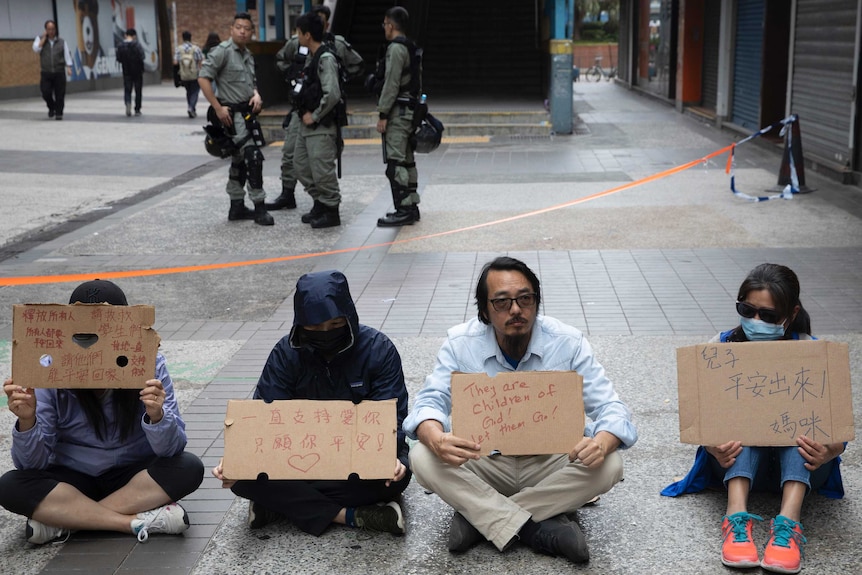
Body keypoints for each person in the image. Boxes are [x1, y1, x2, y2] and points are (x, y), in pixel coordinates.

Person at [404, 256, 637, 564]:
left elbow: (611, 407)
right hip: (484, 461)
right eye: (501, 302)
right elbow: (430, 401)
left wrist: (602, 440)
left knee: (610, 465)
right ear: (485, 310)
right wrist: (435, 436)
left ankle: (481, 519)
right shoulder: (460, 342)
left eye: (525, 299)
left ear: (537, 302)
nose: (516, 310)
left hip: (549, 464)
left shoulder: (567, 342)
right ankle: (536, 526)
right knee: (422, 456)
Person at [661, 263, 847, 574]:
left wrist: (831, 449)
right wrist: (710, 445)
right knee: (740, 420)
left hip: (805, 469)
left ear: (791, 313)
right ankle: (735, 518)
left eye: (769, 316)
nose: (755, 321)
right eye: (747, 309)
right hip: (735, 463)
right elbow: (701, 420)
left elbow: (839, 430)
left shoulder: (814, 353)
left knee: (800, 426)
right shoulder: (719, 348)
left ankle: (789, 524)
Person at [0, 279, 204, 545]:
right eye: (84, 333)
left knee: (188, 467)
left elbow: (171, 449)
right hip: (73, 479)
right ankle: (130, 522)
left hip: (132, 476)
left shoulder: (149, 364)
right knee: (10, 486)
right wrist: (27, 421)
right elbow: (31, 465)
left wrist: (157, 416)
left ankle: (67, 521)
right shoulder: (48, 369)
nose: (93, 343)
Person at [212, 270, 411, 536]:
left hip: (358, 458)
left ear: (349, 317)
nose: (325, 333)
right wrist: (241, 455)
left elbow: (394, 416)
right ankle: (349, 515)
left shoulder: (378, 349)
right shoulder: (285, 354)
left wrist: (389, 455)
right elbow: (264, 415)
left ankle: (280, 505)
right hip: (298, 459)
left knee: (398, 476)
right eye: (314, 328)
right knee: (240, 478)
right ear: (300, 323)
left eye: (336, 325)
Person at [198, 13, 274, 226]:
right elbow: (203, 78)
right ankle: (260, 208)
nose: (242, 31)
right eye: (238, 27)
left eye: (246, 28)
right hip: (231, 116)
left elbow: (251, 82)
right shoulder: (222, 52)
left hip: (248, 114)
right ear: (231, 28)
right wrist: (217, 107)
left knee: (239, 160)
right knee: (253, 156)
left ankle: (236, 206)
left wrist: (256, 94)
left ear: (251, 32)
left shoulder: (248, 55)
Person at [291, 12, 343, 229]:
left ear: (307, 35)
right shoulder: (311, 58)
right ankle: (320, 202)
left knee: (322, 170)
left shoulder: (325, 58)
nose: (297, 36)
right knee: (301, 166)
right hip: (306, 125)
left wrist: (316, 115)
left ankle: (331, 210)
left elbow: (332, 94)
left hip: (321, 126)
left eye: (299, 32)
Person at [372, 7, 422, 227]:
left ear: (390, 24)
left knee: (395, 162)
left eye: (385, 24)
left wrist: (383, 113)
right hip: (410, 110)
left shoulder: (395, 49)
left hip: (398, 113)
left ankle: (403, 209)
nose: (384, 28)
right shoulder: (411, 46)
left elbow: (391, 84)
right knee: (407, 160)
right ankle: (412, 205)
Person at [32, 20, 72, 120]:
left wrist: (69, 67)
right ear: (46, 30)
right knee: (45, 92)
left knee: (60, 94)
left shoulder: (62, 42)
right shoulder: (40, 39)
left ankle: (59, 112)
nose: (51, 31)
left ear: (56, 30)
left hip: (59, 71)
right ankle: (51, 106)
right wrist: (44, 38)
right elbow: (36, 49)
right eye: (49, 29)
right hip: (46, 72)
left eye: (53, 29)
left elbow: (67, 55)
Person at [116, 28, 145, 117]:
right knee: (138, 90)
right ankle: (137, 109)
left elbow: (118, 58)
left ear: (125, 35)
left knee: (127, 89)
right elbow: (142, 56)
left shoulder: (121, 46)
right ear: (134, 36)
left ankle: (128, 103)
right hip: (137, 71)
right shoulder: (137, 45)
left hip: (126, 70)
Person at [174, 31, 204, 118]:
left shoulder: (178, 49)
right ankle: (191, 107)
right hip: (194, 74)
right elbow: (200, 61)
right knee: (195, 91)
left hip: (184, 75)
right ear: (190, 37)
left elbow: (175, 62)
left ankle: (190, 107)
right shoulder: (196, 49)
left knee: (188, 91)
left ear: (183, 38)